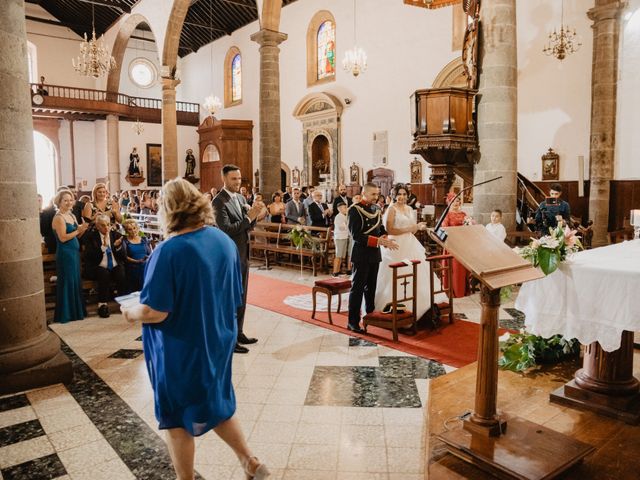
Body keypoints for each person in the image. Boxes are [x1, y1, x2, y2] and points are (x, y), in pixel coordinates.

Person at [121, 179, 269, 480]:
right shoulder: (222, 241)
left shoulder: (169, 251)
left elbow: (156, 311)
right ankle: (250, 461)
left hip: (181, 347)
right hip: (216, 339)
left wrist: (131, 312)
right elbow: (233, 293)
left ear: (167, 209)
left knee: (176, 418)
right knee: (214, 403)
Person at [212, 165, 267, 354]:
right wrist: (248, 218)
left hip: (243, 253)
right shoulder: (218, 202)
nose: (238, 182)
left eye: (239, 178)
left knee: (242, 294)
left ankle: (239, 332)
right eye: (234, 179)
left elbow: (247, 227)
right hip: (229, 255)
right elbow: (225, 229)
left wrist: (255, 216)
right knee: (230, 297)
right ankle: (230, 338)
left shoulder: (242, 198)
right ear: (224, 179)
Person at [375, 184, 442, 320]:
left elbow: (414, 230)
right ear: (394, 195)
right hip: (395, 244)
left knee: (417, 271)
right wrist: (412, 227)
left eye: (404, 194)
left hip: (410, 243)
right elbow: (390, 230)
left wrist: (419, 227)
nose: (402, 197)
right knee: (396, 273)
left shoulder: (410, 209)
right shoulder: (391, 209)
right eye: (399, 194)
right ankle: (394, 304)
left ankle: (422, 307)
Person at [348, 183, 398, 333]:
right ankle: (352, 322)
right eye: (373, 195)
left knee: (371, 289)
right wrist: (378, 241)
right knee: (357, 289)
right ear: (364, 193)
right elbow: (356, 235)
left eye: (377, 194)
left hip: (374, 255)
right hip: (361, 255)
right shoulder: (354, 210)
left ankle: (370, 317)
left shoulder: (376, 209)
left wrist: (385, 238)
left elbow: (380, 229)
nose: (376, 198)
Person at [52, 189, 88, 323]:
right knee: (67, 281)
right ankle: (66, 314)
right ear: (59, 202)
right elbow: (62, 238)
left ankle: (76, 312)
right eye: (65, 200)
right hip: (65, 254)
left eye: (70, 200)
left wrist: (82, 229)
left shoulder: (71, 216)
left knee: (75, 281)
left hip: (74, 253)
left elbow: (77, 235)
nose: (68, 202)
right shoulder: (58, 217)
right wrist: (78, 230)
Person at [83, 214, 127, 318]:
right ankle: (102, 305)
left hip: (114, 265)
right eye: (103, 225)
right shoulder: (90, 237)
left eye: (108, 224)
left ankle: (123, 303)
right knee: (103, 273)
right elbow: (88, 256)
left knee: (121, 272)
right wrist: (102, 248)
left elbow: (123, 256)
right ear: (97, 226)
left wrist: (118, 247)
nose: (106, 227)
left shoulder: (116, 235)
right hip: (97, 265)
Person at [442, 194, 471, 298]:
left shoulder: (464, 214)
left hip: (462, 245)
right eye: (453, 201)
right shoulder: (447, 215)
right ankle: (453, 290)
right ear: (449, 202)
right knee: (454, 268)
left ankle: (462, 290)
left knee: (461, 269)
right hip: (452, 245)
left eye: (458, 201)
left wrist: (469, 224)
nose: (456, 203)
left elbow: (470, 226)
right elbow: (444, 228)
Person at [122, 219, 152, 293]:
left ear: (138, 228)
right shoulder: (125, 240)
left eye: (134, 228)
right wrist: (137, 261)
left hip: (145, 265)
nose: (133, 231)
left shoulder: (144, 239)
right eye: (130, 229)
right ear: (126, 231)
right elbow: (125, 257)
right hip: (132, 266)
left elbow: (150, 253)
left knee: (147, 267)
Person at [332, 201, 350, 277]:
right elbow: (342, 228)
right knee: (338, 255)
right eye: (344, 207)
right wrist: (348, 225)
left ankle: (338, 271)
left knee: (342, 256)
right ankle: (335, 272)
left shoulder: (345, 215)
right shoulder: (338, 217)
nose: (346, 209)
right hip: (339, 237)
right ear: (339, 209)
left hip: (345, 237)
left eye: (346, 207)